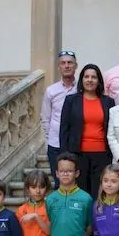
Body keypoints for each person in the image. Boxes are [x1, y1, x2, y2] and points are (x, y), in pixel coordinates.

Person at [59, 64, 115, 198]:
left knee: (100, 192)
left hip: (102, 154)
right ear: (82, 80)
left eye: (94, 77)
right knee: (80, 192)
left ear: (99, 81)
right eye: (86, 77)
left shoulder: (108, 102)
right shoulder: (71, 100)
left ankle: (97, 218)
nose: (90, 80)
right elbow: (64, 129)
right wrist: (64, 156)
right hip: (78, 154)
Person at [40, 50, 78, 187]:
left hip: (76, 144)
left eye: (70, 63)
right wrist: (50, 137)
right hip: (55, 144)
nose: (67, 66)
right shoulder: (51, 90)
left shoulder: (81, 89)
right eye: (63, 63)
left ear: (76, 66)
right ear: (59, 66)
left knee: (76, 182)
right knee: (59, 182)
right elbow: (46, 118)